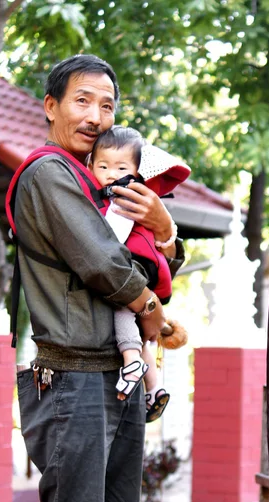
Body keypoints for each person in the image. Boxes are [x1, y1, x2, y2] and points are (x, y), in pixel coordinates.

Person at [10, 54, 184, 502]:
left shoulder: (107, 183)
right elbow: (105, 265)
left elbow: (149, 265)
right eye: (82, 101)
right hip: (74, 381)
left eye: (106, 105)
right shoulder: (49, 173)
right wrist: (154, 316)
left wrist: (166, 228)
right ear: (51, 107)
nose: (96, 116)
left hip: (118, 379)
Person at [89, 125, 190, 422]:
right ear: (91, 165)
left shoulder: (123, 197)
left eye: (121, 167)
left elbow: (110, 246)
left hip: (136, 266)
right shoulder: (136, 194)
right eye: (103, 166)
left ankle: (132, 360)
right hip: (150, 268)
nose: (110, 173)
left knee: (122, 307)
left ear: (136, 169)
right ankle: (155, 387)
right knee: (143, 331)